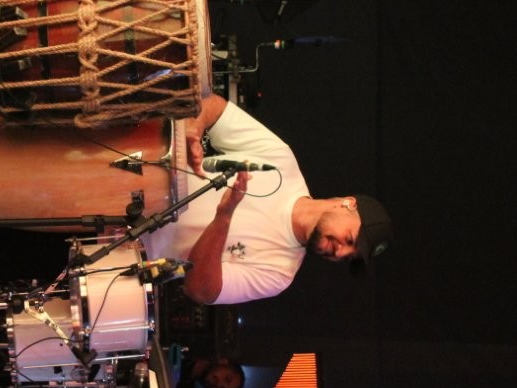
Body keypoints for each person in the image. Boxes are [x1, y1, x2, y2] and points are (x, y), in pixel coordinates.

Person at [140, 95, 394, 305]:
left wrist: (224, 217)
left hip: (133, 253)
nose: (339, 252)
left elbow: (201, 291)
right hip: (137, 183)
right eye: (350, 240)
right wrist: (193, 131)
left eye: (348, 257)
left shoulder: (279, 273)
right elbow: (213, 107)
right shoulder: (281, 162)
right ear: (348, 204)